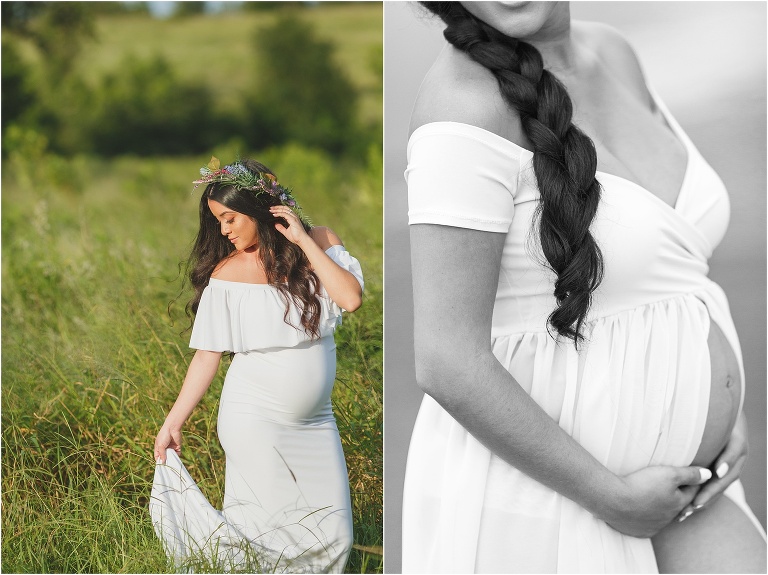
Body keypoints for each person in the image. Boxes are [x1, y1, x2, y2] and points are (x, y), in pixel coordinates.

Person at [401, 2, 766, 573]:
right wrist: (609, 497)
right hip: (554, 505)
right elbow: (446, 359)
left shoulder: (614, 53)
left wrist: (722, 411)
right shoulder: (463, 106)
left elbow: (664, 273)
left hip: (690, 495)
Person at [149, 157, 363, 573]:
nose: (224, 231)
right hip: (254, 418)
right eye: (218, 222)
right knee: (266, 535)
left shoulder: (319, 241)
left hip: (318, 421)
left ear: (259, 207)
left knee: (334, 535)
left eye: (229, 218)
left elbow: (350, 299)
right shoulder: (229, 273)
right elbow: (208, 355)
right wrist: (173, 422)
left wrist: (303, 240)